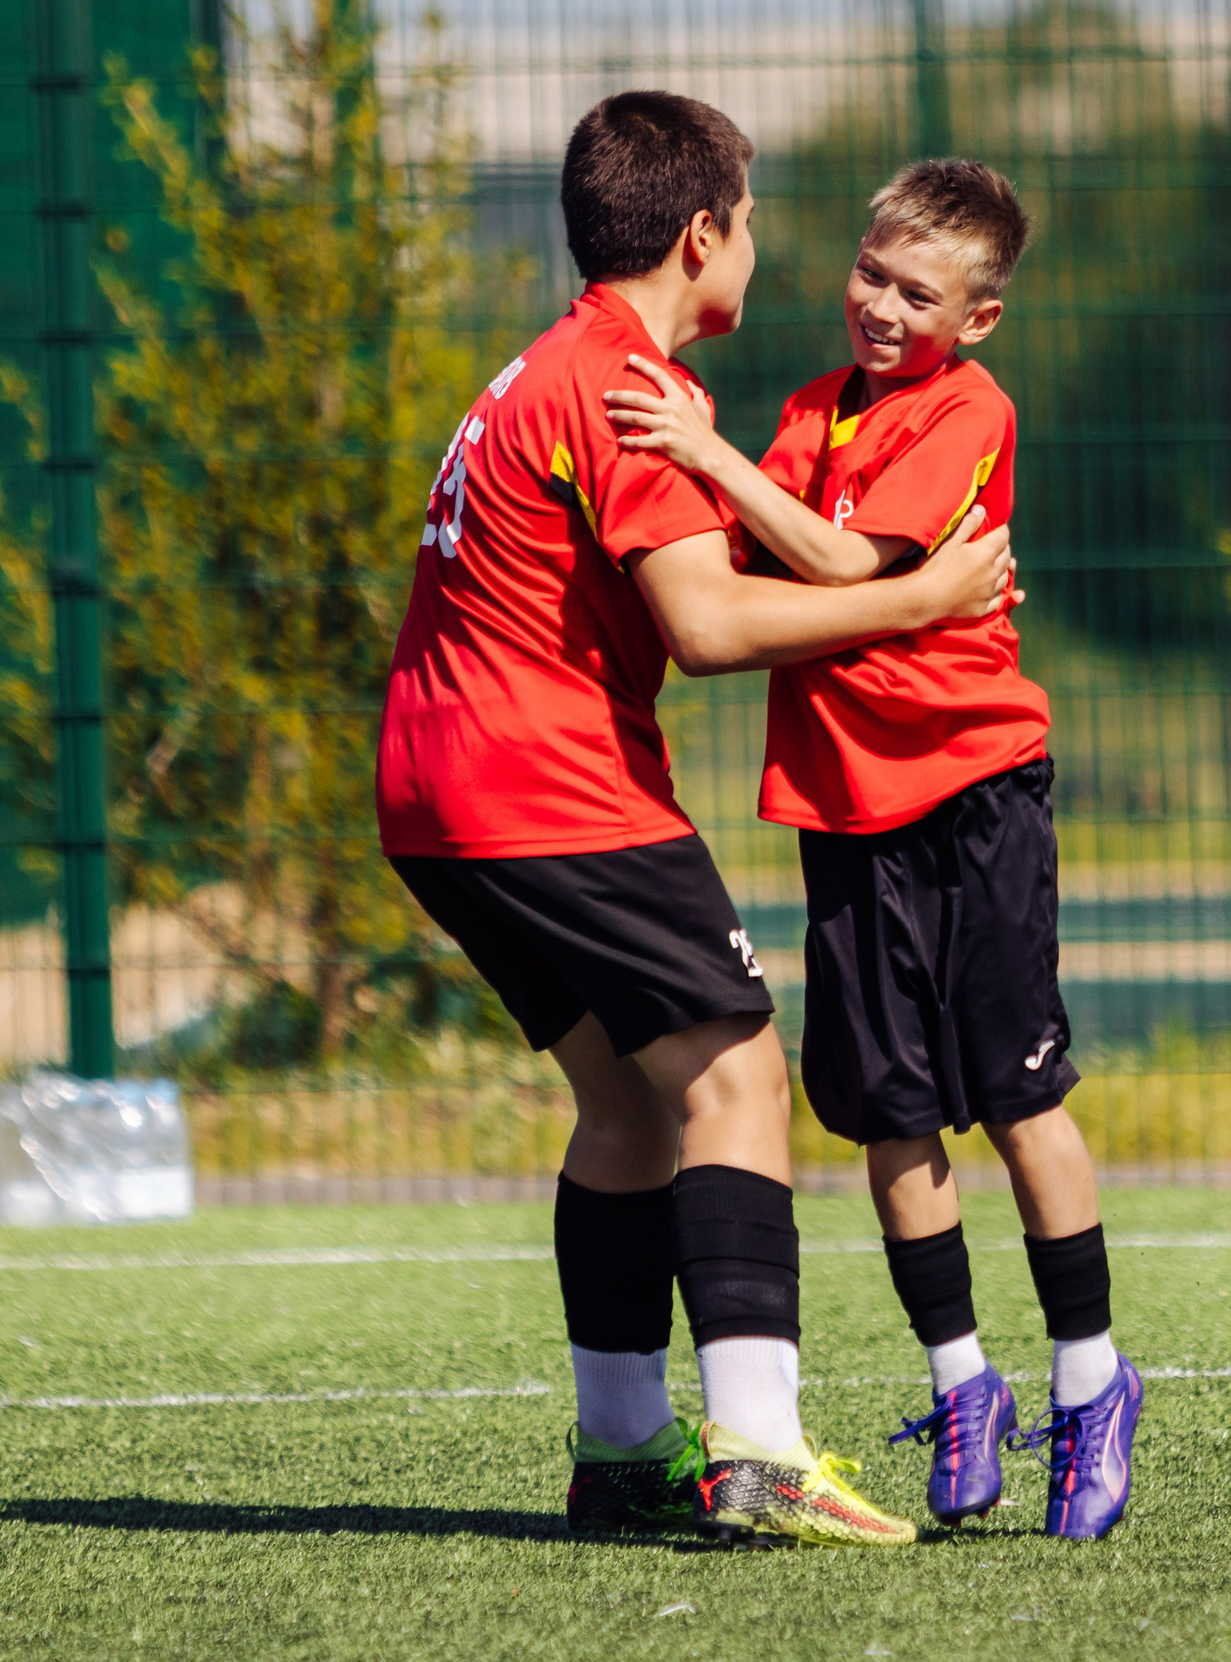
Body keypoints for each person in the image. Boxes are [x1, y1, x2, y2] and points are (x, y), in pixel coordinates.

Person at [377, 94, 1019, 1548]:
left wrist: (887, 568)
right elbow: (710, 622)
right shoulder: (625, 383)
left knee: (626, 1104)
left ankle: (621, 1451)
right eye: (755, 221)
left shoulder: (549, 366)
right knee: (735, 1075)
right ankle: (763, 1450)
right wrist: (920, 599)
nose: (764, 249)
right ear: (701, 234)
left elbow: (715, 558)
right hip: (547, 783)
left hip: (432, 789)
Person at [602, 159, 1143, 1540]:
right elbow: (751, 566)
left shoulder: (970, 409)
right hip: (844, 815)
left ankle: (1091, 1382)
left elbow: (843, 567)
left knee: (1018, 1097)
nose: (882, 307)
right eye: (870, 273)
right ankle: (964, 1385)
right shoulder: (806, 412)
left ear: (979, 318)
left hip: (975, 795)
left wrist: (706, 453)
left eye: (917, 293)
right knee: (889, 1114)